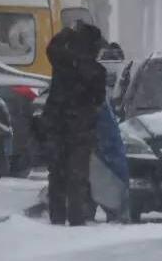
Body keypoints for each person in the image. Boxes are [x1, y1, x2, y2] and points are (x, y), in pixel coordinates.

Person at [41, 21, 107, 226]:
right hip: (81, 128)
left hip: (56, 126)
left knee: (57, 174)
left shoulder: (64, 61)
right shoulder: (97, 71)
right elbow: (98, 100)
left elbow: (51, 48)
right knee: (77, 175)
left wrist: (66, 33)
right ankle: (77, 218)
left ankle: (57, 217)